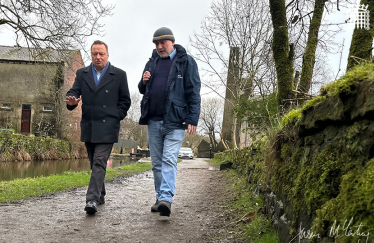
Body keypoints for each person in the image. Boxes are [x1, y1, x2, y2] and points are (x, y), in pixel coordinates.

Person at [138, 27, 201, 216]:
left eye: (162, 43)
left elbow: (193, 91)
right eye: (156, 43)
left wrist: (192, 117)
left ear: (172, 42)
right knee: (156, 162)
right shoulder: (152, 62)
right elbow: (142, 89)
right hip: (153, 119)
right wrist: (143, 81)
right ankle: (160, 197)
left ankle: (166, 197)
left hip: (176, 120)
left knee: (168, 159)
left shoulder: (186, 61)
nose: (159, 46)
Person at [65, 40, 131, 215]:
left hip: (108, 126)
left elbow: (125, 101)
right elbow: (73, 92)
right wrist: (71, 100)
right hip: (89, 125)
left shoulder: (119, 75)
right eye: (95, 54)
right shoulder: (82, 73)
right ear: (91, 55)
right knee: (94, 162)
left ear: (108, 55)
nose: (98, 57)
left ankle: (91, 199)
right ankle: (100, 194)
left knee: (99, 162)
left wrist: (116, 116)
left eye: (101, 53)